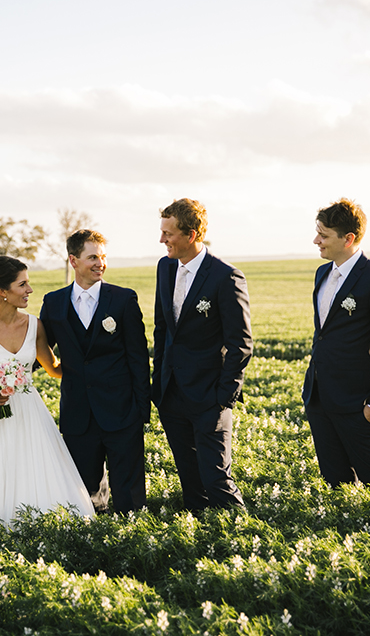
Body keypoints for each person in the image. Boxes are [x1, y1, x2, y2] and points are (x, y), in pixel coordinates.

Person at [0, 255, 95, 535]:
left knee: (36, 469)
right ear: (2, 291)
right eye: (22, 284)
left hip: (30, 413)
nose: (29, 290)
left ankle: (42, 531)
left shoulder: (34, 325)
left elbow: (52, 368)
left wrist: (90, 364)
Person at [39, 230, 150, 513]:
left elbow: (138, 357)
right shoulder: (53, 302)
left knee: (129, 495)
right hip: (78, 412)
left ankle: (130, 538)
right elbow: (39, 349)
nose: (100, 263)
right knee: (83, 494)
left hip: (122, 410)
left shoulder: (124, 300)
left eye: (103, 257)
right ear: (73, 260)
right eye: (92, 257)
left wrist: (141, 409)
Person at [152, 199, 252, 512]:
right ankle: (203, 542)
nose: (162, 239)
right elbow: (161, 329)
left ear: (192, 234)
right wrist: (159, 382)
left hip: (210, 396)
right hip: (172, 394)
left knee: (216, 477)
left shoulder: (226, 277)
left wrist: (224, 395)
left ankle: (241, 537)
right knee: (190, 479)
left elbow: (241, 342)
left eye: (168, 233)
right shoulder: (165, 267)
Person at [303, 198, 370, 487]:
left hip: (358, 402)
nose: (316, 240)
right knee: (336, 484)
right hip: (319, 399)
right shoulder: (322, 273)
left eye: (323, 235)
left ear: (348, 238)